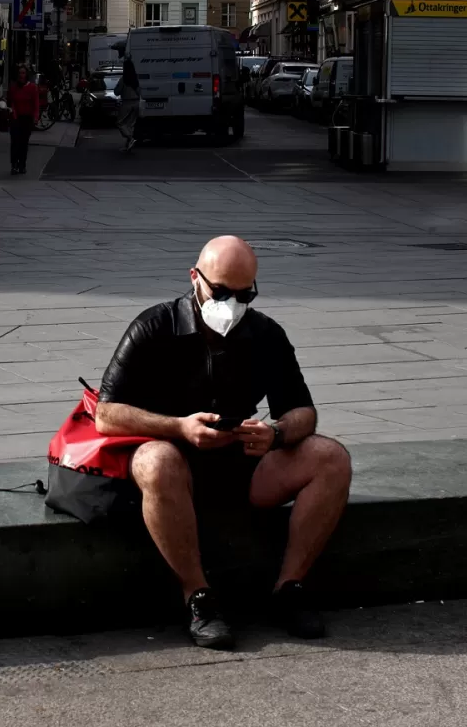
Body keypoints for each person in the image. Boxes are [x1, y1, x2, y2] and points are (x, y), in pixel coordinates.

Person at [95, 236, 352, 648]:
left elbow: (303, 411)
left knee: (331, 458)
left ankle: (289, 588)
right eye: (221, 291)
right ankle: (198, 597)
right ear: (194, 278)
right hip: (174, 464)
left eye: (244, 293)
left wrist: (276, 433)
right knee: (156, 461)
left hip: (243, 464)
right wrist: (179, 427)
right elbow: (106, 415)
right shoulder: (154, 326)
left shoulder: (266, 333)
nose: (232, 303)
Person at [6, 65, 39, 175]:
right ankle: (14, 164)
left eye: (23, 73)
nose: (21, 75)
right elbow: (9, 101)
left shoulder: (32, 88)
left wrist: (35, 117)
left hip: (27, 118)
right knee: (15, 141)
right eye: (19, 73)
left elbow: (36, 104)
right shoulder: (13, 87)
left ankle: (22, 164)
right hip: (15, 117)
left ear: (26, 75)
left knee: (24, 142)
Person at [116, 57, 140, 153]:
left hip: (127, 102)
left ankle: (130, 138)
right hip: (137, 102)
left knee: (120, 123)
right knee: (130, 124)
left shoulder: (124, 79)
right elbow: (140, 91)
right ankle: (128, 146)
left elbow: (116, 91)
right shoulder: (136, 78)